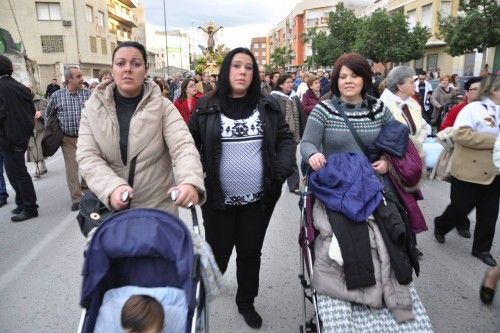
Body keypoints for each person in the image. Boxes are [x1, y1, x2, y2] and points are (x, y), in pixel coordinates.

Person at [188, 47, 294, 329]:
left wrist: (280, 172)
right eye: (236, 66)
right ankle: (202, 294)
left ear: (254, 74)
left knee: (250, 253)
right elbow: (187, 146)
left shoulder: (267, 104)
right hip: (217, 200)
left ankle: (246, 301)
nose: (242, 72)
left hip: (258, 200)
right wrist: (196, 175)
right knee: (218, 254)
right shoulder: (206, 105)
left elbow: (285, 139)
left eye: (248, 67)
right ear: (226, 71)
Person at [77, 41, 205, 215]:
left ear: (145, 70)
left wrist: (190, 181)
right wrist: (112, 187)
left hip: (158, 212)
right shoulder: (91, 109)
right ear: (112, 69)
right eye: (120, 63)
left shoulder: (163, 107)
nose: (127, 69)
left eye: (136, 64)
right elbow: (87, 155)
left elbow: (183, 146)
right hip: (112, 212)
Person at [434, 75, 500, 267]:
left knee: (489, 214)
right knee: (460, 208)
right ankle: (441, 224)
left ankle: (482, 249)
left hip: (494, 172)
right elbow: (461, 135)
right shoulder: (472, 110)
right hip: (469, 170)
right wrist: (494, 142)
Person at [301, 53, 393, 173]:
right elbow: (307, 142)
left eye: (354, 76)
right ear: (336, 81)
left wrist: (387, 161)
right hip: (336, 183)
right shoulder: (323, 110)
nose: (348, 81)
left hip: (372, 184)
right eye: (343, 77)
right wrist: (312, 155)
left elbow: (397, 141)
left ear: (364, 78)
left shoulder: (379, 108)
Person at [379, 66, 429, 256]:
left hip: (411, 162)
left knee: (409, 203)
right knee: (401, 204)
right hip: (394, 163)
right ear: (399, 85)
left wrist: (417, 142)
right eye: (411, 82)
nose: (415, 85)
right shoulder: (384, 105)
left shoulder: (412, 103)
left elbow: (423, 126)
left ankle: (409, 242)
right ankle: (404, 243)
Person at [45, 66, 91, 211]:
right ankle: (76, 198)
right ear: (69, 79)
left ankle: (86, 188)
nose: (82, 78)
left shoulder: (88, 94)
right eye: (78, 76)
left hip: (86, 138)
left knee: (88, 166)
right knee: (72, 168)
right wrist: (53, 131)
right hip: (67, 139)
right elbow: (48, 114)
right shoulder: (57, 96)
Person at [0, 54, 39, 222]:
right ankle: (22, 202)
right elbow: (31, 109)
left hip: (9, 137)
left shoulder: (2, 87)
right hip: (21, 135)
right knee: (13, 171)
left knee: (18, 173)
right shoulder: (19, 86)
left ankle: (30, 207)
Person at [270, 74, 306, 194]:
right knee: (276, 159)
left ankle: (294, 184)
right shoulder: (274, 98)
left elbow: (301, 116)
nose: (291, 84)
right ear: (280, 85)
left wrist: (303, 132)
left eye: (292, 82)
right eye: (288, 82)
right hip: (278, 135)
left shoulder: (294, 98)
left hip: (292, 135)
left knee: (291, 159)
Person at [24, 82, 48, 178]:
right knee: (33, 149)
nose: (27, 90)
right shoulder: (21, 100)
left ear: (32, 89)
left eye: (28, 88)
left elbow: (49, 111)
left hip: (40, 129)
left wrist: (41, 113)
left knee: (39, 147)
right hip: (28, 130)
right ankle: (43, 166)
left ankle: (38, 167)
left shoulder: (41, 100)